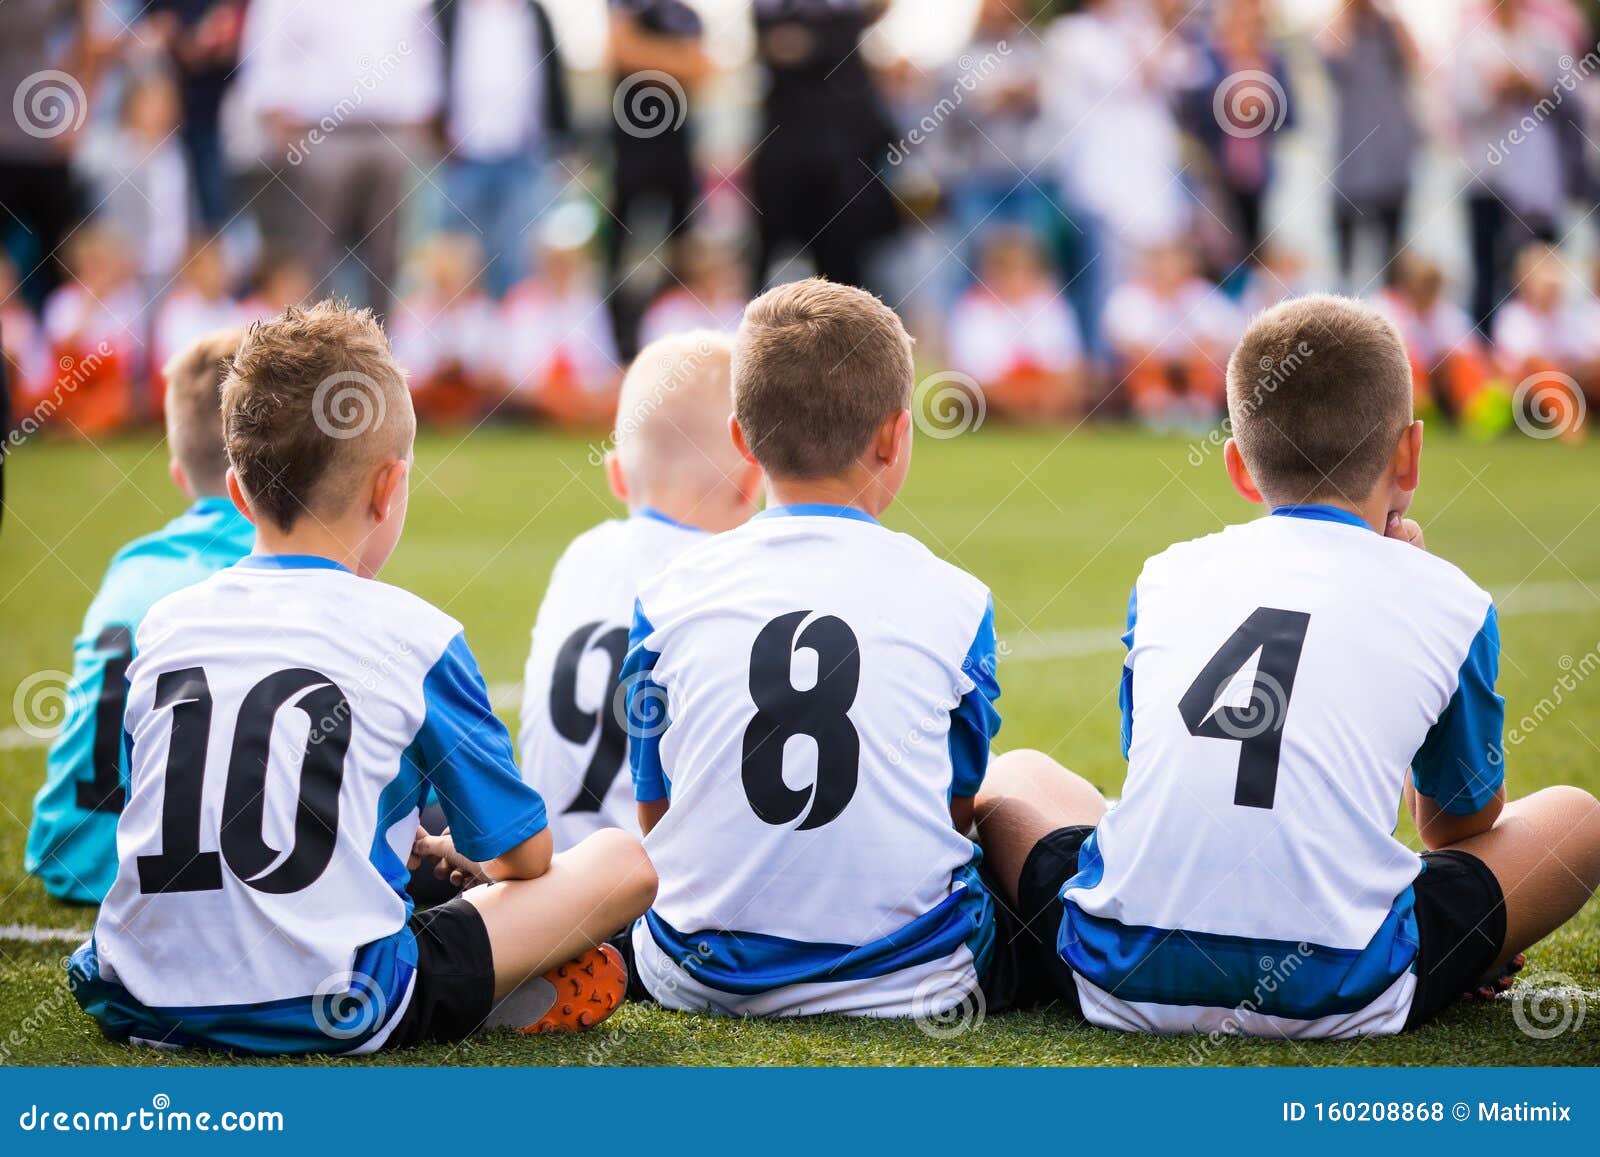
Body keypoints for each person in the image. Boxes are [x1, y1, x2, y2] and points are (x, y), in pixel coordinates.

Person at [974, 295, 1600, 1038]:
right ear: (1410, 453)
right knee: (1579, 821)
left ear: (1238, 464)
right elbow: (1454, 828)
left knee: (1014, 774)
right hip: (1345, 985)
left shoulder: (1168, 572)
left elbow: (1146, 764)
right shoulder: (1451, 601)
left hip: (1116, 970)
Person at [68, 301, 657, 1054]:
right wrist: (466, 853)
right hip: (336, 1000)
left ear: (239, 493)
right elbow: (527, 860)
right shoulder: (416, 636)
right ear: (388, 488)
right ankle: (490, 987)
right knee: (619, 863)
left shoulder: (166, 624)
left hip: (139, 993)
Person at [618, 278, 1014, 1018]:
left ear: (741, 438)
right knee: (1020, 796)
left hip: (698, 974)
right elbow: (957, 806)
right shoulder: (958, 598)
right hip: (910, 978)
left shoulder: (667, 592)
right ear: (897, 435)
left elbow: (654, 809)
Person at [25, 328, 255, 904]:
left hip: (71, 852)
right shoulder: (272, 569)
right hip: (183, 868)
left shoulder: (130, 565)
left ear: (179, 475)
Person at [518, 332, 761, 851]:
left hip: (549, 876)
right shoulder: (731, 580)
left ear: (618, 478)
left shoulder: (583, 555)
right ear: (750, 482)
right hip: (645, 896)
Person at [239, 0, 442, 314]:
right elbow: (265, 48)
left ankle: (382, 348)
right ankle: (316, 347)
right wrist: (273, 114)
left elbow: (424, 47)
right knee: (311, 254)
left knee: (394, 253)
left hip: (392, 131)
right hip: (317, 132)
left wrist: (422, 117)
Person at [749, 0, 900, 293]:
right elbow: (780, 46)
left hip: (844, 156)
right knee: (774, 260)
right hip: (787, 150)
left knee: (845, 269)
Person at [434, 0, 572, 298]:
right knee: (457, 258)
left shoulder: (533, 12)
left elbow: (554, 78)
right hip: (462, 158)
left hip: (524, 156)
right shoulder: (446, 10)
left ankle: (512, 335)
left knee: (517, 259)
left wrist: (560, 143)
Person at [605, 0, 713, 359]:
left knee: (682, 252)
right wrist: (673, 60)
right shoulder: (626, 7)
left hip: (676, 154)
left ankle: (670, 335)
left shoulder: (685, 15)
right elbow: (619, 52)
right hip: (629, 154)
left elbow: (702, 69)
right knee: (617, 253)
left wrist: (645, 55)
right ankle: (617, 340)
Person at [1456, 0, 1566, 335]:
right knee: (1488, 275)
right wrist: (1495, 89)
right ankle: (1488, 356)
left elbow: (1570, 97)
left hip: (1536, 185)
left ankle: (1539, 355)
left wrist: (1534, 87)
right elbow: (1462, 104)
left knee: (1538, 276)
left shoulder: (1545, 40)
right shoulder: (1472, 44)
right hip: (1487, 179)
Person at [1319, 0, 1420, 289]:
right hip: (1351, 163)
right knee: (1345, 259)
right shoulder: (1340, 28)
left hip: (1391, 159)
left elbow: (1416, 58)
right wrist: (1348, 9)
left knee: (1393, 255)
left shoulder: (1389, 28)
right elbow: (1329, 53)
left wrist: (1390, 10)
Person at [947, 230, 1086, 421]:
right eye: (1008, 270)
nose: (1016, 279)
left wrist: (1043, 391)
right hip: (993, 399)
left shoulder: (1050, 303)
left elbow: (1069, 365)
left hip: (1045, 392)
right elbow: (974, 376)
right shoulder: (972, 307)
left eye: (1023, 270)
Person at [1104, 244, 1242, 428]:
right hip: (1151, 368)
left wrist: (1187, 359)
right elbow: (1125, 343)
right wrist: (1165, 361)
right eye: (1161, 262)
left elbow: (1224, 336)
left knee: (1209, 368)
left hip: (1192, 368)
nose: (1168, 269)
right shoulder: (1131, 296)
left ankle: (1197, 406)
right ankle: (1155, 407)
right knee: (1137, 369)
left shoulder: (1202, 294)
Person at [1375, 252, 1508, 434]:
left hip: (1441, 386)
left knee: (1458, 362)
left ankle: (1478, 411)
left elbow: (1471, 354)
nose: (1424, 294)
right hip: (1404, 382)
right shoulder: (1386, 309)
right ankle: (1415, 414)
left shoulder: (1448, 315)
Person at [390, 233, 504, 424]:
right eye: (443, 278)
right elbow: (402, 376)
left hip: (478, 407)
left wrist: (466, 371)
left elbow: (499, 374)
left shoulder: (484, 313)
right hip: (424, 406)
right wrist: (439, 373)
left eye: (455, 277)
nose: (450, 287)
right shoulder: (411, 314)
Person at [42, 224, 145, 433]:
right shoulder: (63, 300)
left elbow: (130, 361)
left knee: (118, 400)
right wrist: (90, 305)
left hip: (109, 385)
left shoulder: (127, 300)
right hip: (74, 384)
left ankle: (81, 427)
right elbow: (62, 352)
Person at [1492, 242, 1592, 440]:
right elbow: (1527, 362)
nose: (1553, 283)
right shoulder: (1513, 315)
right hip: (1521, 386)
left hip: (1568, 379)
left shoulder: (1569, 316)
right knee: (1543, 368)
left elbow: (1582, 355)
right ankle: (1571, 428)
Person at [150, 238, 251, 414]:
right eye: (211, 265)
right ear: (192, 271)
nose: (218, 272)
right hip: (187, 387)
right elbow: (177, 362)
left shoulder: (232, 308)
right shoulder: (177, 309)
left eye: (220, 263)